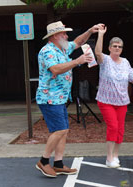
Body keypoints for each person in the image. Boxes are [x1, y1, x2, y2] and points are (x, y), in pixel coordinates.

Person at [35, 21, 104, 177]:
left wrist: (90, 30)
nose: (67, 36)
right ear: (54, 36)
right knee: (60, 130)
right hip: (49, 98)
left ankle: (58, 164)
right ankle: (43, 161)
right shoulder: (47, 51)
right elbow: (55, 69)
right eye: (64, 33)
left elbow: (78, 42)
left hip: (59, 98)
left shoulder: (62, 47)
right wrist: (77, 61)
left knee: (63, 131)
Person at [95, 26, 133, 168]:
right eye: (114, 46)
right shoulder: (105, 60)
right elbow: (98, 52)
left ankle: (115, 156)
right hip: (106, 101)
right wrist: (101, 35)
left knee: (120, 129)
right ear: (110, 48)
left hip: (122, 101)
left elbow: (132, 77)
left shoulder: (125, 62)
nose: (117, 48)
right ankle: (109, 158)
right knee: (112, 126)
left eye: (120, 46)